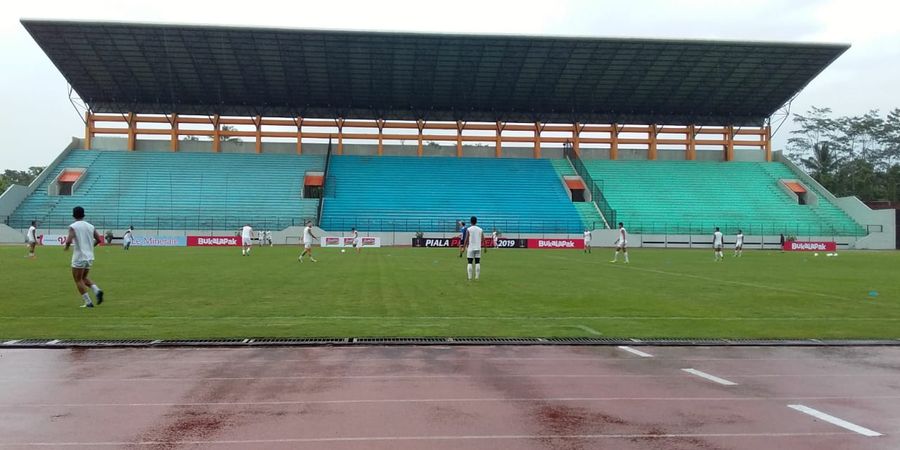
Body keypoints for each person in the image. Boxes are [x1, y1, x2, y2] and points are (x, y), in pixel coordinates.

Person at [63, 206, 104, 308]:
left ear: (73, 215)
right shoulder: (90, 226)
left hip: (79, 256)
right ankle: (97, 290)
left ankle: (88, 302)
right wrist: (90, 247)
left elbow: (68, 240)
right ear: (83, 214)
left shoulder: (74, 226)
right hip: (89, 256)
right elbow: (99, 239)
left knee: (78, 280)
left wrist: (67, 247)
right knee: (84, 278)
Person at [463, 216, 484, 281]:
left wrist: (463, 247)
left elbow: (466, 239)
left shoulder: (469, 229)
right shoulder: (480, 229)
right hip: (478, 247)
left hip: (471, 248)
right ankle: (477, 277)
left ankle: (469, 277)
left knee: (470, 262)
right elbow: (483, 238)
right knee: (477, 262)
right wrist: (485, 247)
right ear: (476, 221)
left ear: (470, 221)